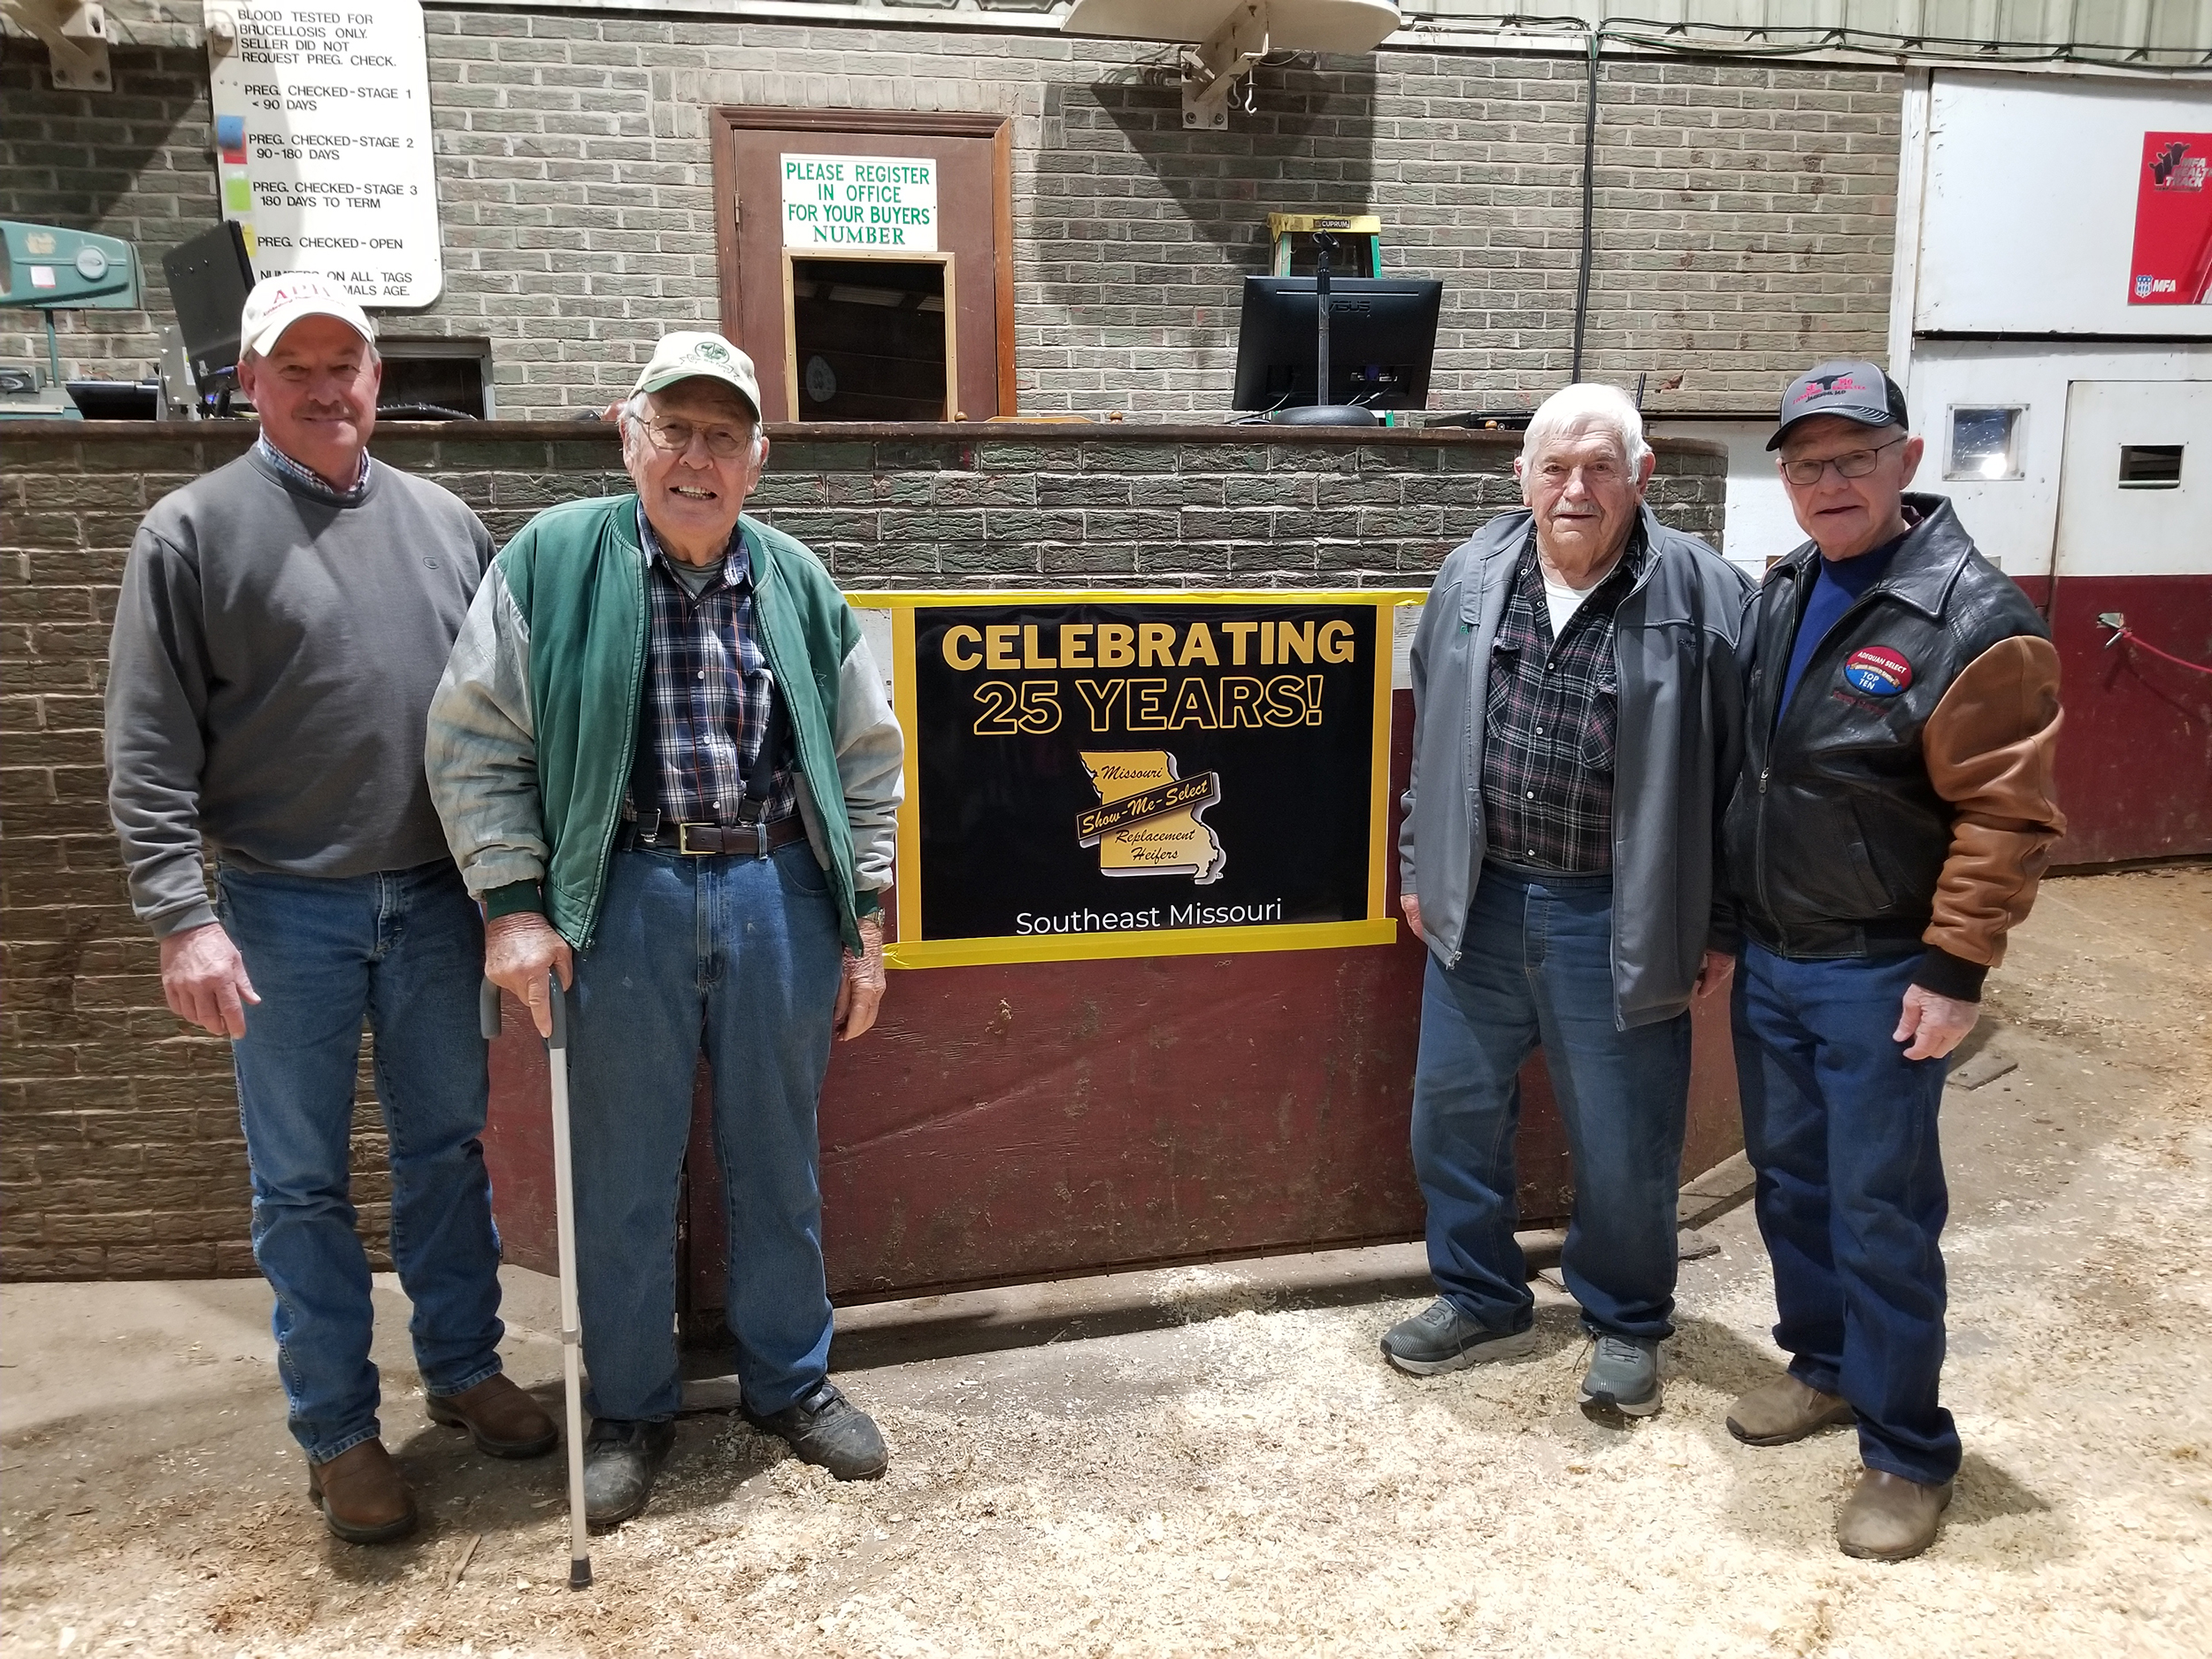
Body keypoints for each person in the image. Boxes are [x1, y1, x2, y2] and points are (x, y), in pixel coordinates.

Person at [104, 273, 556, 1546]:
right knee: (300, 1185)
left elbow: (502, 720)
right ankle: (339, 1430)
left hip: (431, 898)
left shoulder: (446, 522)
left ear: (374, 377)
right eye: (292, 366)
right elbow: (145, 745)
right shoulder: (188, 534)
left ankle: (464, 1368)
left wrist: (512, 883)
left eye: (343, 363)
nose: (324, 387)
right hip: (278, 909)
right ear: (250, 383)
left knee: (446, 1154)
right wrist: (179, 914)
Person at [425, 331, 904, 1526]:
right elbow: (475, 738)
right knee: (621, 1171)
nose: (697, 459)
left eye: (724, 437)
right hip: (619, 892)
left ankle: (788, 1381)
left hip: (773, 891)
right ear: (626, 433)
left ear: (759, 457)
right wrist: (514, 904)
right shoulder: (551, 560)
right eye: (674, 431)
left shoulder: (799, 579)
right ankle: (631, 1405)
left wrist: (866, 924)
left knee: (775, 1157)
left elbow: (864, 760)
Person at [1723, 360, 2063, 1562]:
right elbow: (1759, 775)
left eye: (1853, 457)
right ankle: (1823, 1367)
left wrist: (1958, 964)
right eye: (1807, 462)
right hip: (1776, 954)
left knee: (1881, 1207)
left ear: (1906, 463)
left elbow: (2006, 816)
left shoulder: (1975, 618)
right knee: (1792, 1184)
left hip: (1882, 970)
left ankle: (1907, 1447)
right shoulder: (1788, 586)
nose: (1829, 481)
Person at [1389, 383, 1752, 1415]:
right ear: (1522, 477)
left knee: (1626, 1135)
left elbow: (1738, 777)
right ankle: (1478, 1295)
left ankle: (1627, 1320)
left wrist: (1715, 920)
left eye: (1599, 467)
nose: (1575, 488)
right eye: (1554, 467)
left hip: (1620, 915)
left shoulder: (1706, 593)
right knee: (1451, 1120)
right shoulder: (1472, 575)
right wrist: (1422, 865)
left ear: (1641, 477)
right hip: (1482, 901)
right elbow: (1434, 736)